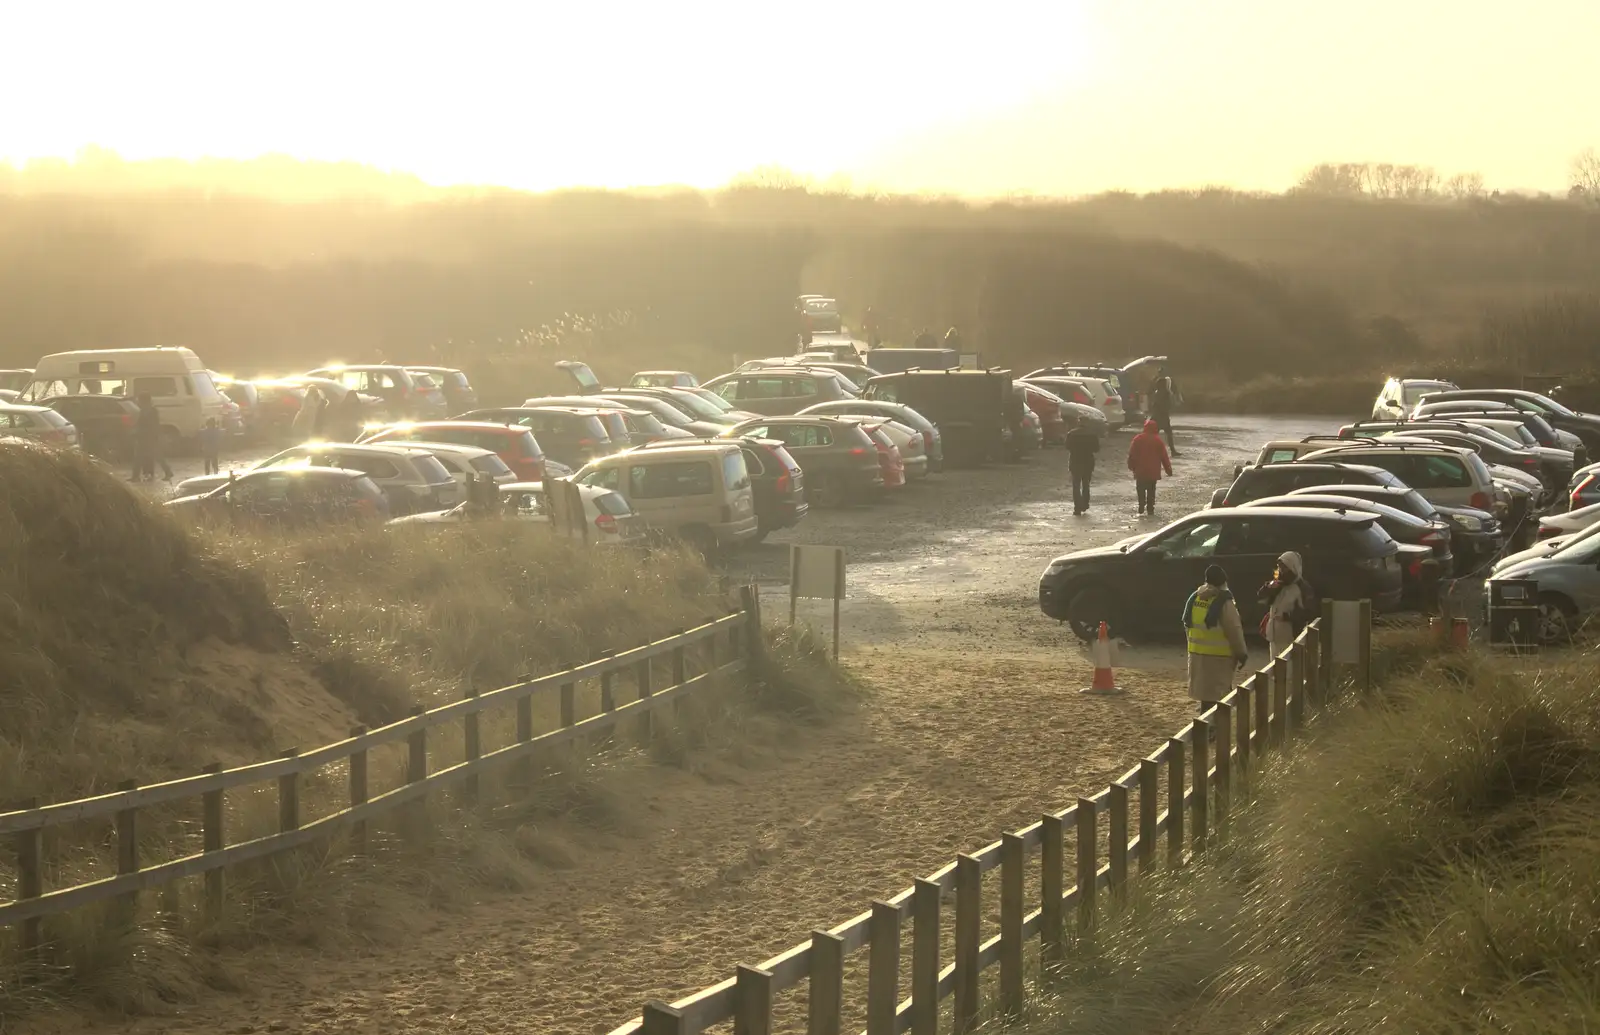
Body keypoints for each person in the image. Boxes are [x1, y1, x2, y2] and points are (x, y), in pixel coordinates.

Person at [1183, 564, 1249, 715]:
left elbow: (1188, 625)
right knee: (1218, 699)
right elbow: (1234, 631)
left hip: (1197, 655)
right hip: (1219, 658)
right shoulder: (1224, 602)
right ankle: (1213, 734)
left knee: (1205, 698)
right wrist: (1242, 653)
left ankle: (1206, 732)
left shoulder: (1194, 598)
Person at [1258, 551, 1315, 656]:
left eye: (1284, 568)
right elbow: (1261, 598)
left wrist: (1288, 616)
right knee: (1274, 669)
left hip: (1291, 638)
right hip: (1274, 637)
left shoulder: (1303, 588)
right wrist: (1268, 588)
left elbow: (1310, 612)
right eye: (1279, 567)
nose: (1281, 571)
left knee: (1289, 670)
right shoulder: (1278, 584)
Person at [1126, 418, 1173, 516]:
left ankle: (1141, 504)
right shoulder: (1158, 441)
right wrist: (1168, 470)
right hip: (1153, 472)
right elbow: (1164, 457)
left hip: (1140, 471)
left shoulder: (1138, 439)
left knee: (1140, 488)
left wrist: (1131, 465)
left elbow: (1132, 454)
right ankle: (1150, 508)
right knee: (1151, 490)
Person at [1063, 420, 1100, 515]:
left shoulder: (1071, 433)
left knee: (1076, 485)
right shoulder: (1092, 434)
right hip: (1088, 461)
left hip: (1075, 461)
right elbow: (1096, 449)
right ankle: (1085, 504)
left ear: (1078, 422)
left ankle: (1077, 508)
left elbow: (1067, 446)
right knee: (1086, 484)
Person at [134, 393, 172, 482]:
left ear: (143, 401)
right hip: (145, 437)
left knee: (155, 456)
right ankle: (135, 476)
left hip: (149, 438)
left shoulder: (150, 411)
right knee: (141, 457)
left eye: (139, 400)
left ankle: (168, 472)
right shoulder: (146, 410)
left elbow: (152, 425)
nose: (138, 402)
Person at [1149, 367, 1179, 457]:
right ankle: (1172, 451)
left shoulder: (1159, 391)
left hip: (1159, 416)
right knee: (1165, 433)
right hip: (1161, 416)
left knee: (1156, 434)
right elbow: (1163, 404)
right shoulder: (1163, 392)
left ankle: (1152, 451)